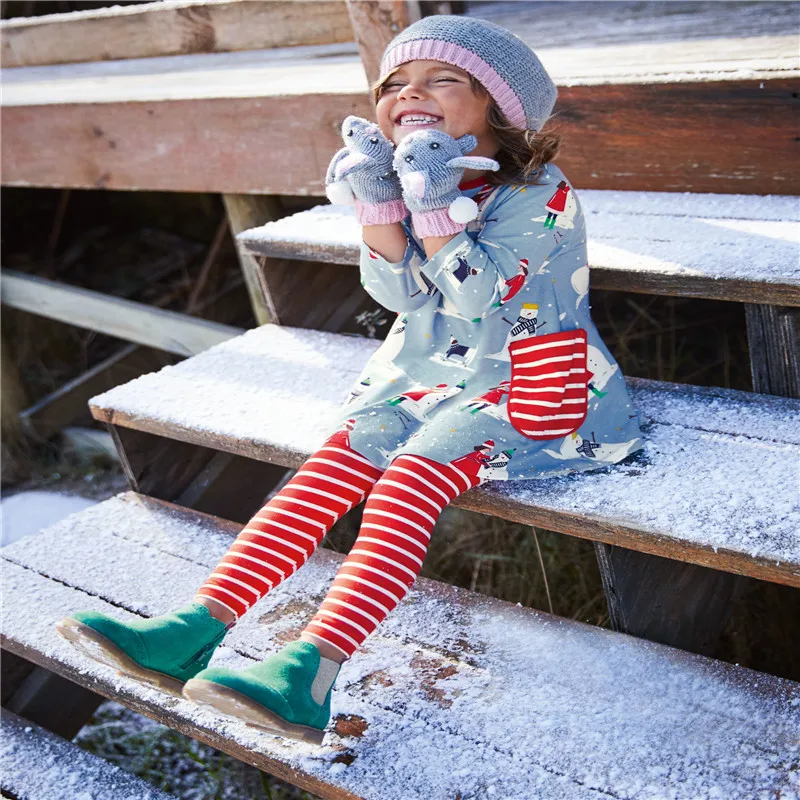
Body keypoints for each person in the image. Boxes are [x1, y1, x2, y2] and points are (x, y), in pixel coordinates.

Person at [56, 15, 645, 746]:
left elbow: (478, 298)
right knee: (333, 463)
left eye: (441, 79)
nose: (408, 94)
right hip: (427, 375)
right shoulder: (412, 176)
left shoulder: (539, 195)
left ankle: (310, 674)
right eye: (393, 84)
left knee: (409, 480)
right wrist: (381, 203)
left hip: (529, 383)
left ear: (500, 107)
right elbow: (399, 293)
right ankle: (194, 628)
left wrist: (430, 203)